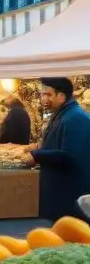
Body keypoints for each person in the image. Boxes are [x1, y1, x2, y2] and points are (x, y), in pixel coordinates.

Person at [31, 77, 90, 222]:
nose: (43, 98)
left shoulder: (76, 117)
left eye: (48, 94)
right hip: (60, 195)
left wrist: (36, 155)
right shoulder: (62, 114)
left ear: (61, 96)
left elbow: (70, 156)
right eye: (42, 94)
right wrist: (39, 146)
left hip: (70, 198)